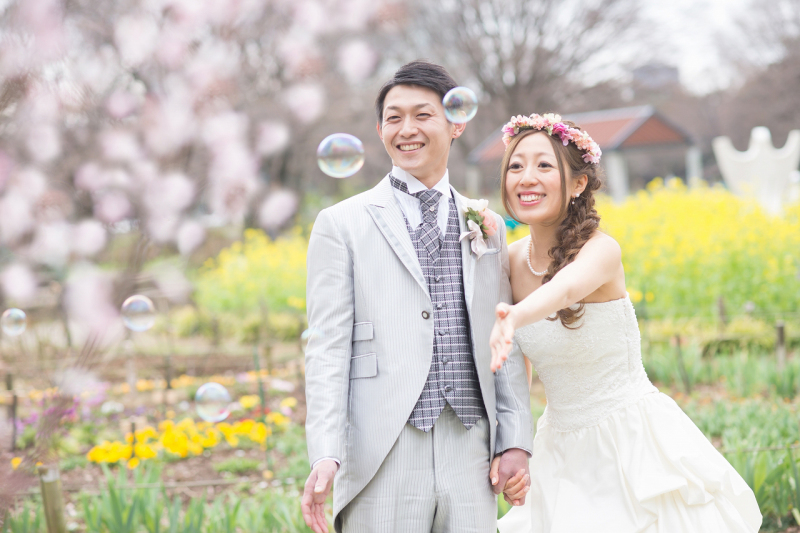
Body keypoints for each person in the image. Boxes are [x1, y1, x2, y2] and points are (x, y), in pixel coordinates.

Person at [487, 113, 762, 532]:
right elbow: (516, 372)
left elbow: (564, 290)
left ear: (579, 183)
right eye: (516, 166)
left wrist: (513, 316)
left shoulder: (601, 250)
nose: (527, 177)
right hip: (559, 448)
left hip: (629, 438)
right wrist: (515, 446)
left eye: (544, 165)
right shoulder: (507, 261)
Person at [301, 61, 533, 533]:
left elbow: (502, 339)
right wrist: (326, 451)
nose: (406, 129)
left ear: (455, 123)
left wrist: (515, 441)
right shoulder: (342, 224)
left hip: (470, 446)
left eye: (422, 115)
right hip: (382, 447)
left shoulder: (485, 225)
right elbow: (326, 346)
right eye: (393, 117)